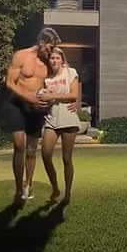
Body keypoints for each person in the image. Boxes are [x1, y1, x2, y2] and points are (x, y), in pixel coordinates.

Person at [5, 27, 61, 204]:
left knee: (31, 149)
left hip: (36, 109)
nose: (51, 51)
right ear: (42, 43)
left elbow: (63, 80)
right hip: (17, 104)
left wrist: (71, 100)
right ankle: (18, 189)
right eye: (50, 47)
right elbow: (9, 83)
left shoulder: (48, 63)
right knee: (19, 144)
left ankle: (27, 186)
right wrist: (28, 97)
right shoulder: (21, 56)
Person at [39, 47, 81, 205]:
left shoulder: (70, 72)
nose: (54, 60)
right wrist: (43, 101)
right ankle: (55, 188)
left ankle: (68, 192)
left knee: (66, 158)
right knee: (45, 154)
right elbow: (43, 98)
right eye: (52, 58)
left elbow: (74, 94)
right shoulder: (47, 79)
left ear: (62, 60)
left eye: (57, 58)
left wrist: (53, 95)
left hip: (68, 118)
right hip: (51, 119)